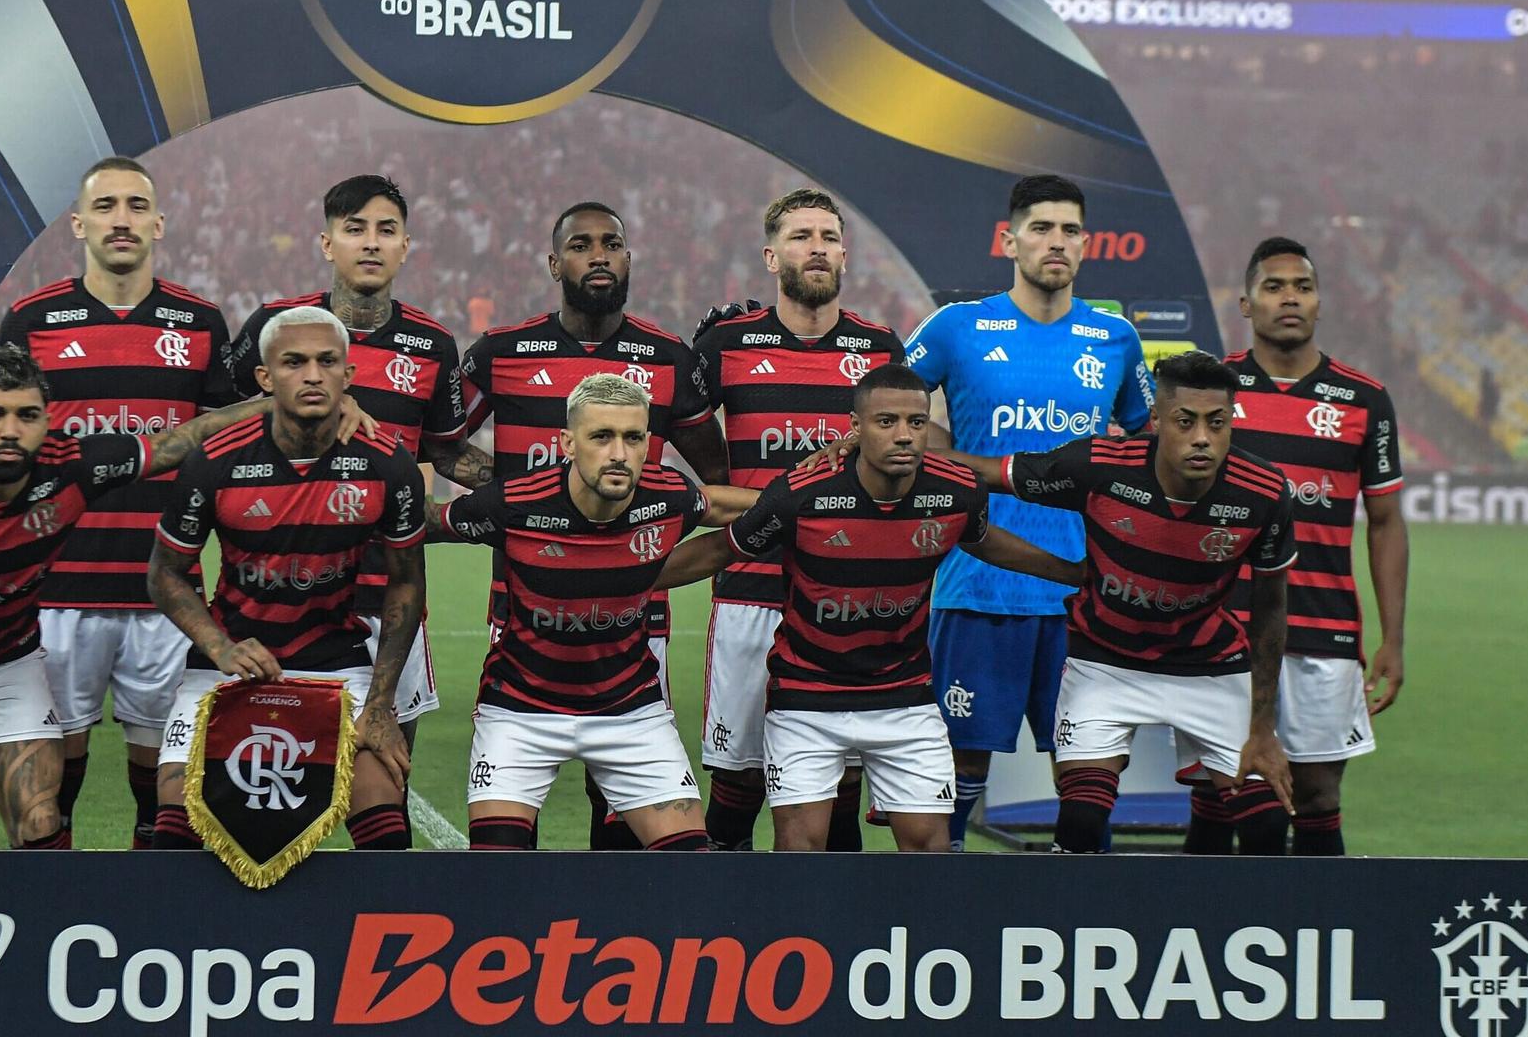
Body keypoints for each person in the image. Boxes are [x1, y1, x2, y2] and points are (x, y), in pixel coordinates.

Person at [0, 345, 272, 850]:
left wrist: (280, 402)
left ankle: (44, 928)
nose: (10, 430)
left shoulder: (72, 467)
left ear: (46, 422)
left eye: (27, 416)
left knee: (39, 820)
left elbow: (177, 441)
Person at [659, 365, 1081, 851]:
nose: (904, 436)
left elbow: (984, 541)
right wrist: (623, 580)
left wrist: (1073, 572)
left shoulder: (958, 490)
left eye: (916, 423)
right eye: (886, 422)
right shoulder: (802, 493)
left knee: (929, 850)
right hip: (806, 697)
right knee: (800, 850)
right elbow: (721, 549)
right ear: (855, 428)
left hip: (903, 699)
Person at [460, 201, 729, 848]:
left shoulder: (668, 356)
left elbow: (712, 468)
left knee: (622, 815)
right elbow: (441, 444)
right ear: (555, 263)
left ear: (629, 260)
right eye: (581, 245)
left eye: (612, 243)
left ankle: (610, 939)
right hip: (525, 605)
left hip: (638, 616)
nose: (599, 255)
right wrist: (511, 494)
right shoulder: (502, 352)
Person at [900, 174, 1153, 849]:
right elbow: (887, 402)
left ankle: (1082, 917)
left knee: (1085, 772)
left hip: (1081, 591)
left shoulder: (1115, 339)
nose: (1056, 242)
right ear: (1010, 240)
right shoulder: (959, 327)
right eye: (1041, 228)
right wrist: (949, 459)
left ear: (1086, 244)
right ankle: (939, 911)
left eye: (1070, 230)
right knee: (960, 764)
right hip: (977, 585)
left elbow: (1150, 438)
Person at [0, 155, 238, 848]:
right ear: (78, 224)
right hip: (56, 590)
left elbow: (227, 446)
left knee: (157, 782)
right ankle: (57, 910)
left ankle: (143, 910)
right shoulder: (32, 320)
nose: (122, 219)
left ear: (158, 223)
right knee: (50, 786)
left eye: (136, 206)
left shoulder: (199, 322)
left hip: (165, 591)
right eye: (106, 207)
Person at [986, 351, 1297, 854]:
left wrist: (1263, 729)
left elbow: (1270, 609)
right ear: (1156, 422)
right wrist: (891, 453)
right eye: (1185, 421)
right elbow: (988, 473)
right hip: (1105, 661)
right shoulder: (1096, 465)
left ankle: (1222, 927)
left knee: (1265, 827)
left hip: (1209, 665)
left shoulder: (1264, 491)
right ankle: (1072, 928)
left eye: (1217, 423)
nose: (1202, 438)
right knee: (1082, 819)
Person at [428, 374, 753, 851]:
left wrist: (801, 504)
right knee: (493, 870)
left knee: (692, 872)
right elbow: (428, 523)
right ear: (568, 443)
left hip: (630, 712)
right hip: (521, 712)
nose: (618, 453)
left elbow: (722, 508)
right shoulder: (514, 502)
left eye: (633, 437)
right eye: (601, 436)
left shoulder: (669, 496)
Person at [227, 175, 490, 758]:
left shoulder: (431, 344)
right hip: (282, 594)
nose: (370, 243)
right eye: (354, 230)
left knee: (387, 775)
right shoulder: (274, 329)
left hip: (389, 592)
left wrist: (530, 490)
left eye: (385, 231)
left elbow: (445, 451)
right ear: (327, 244)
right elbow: (214, 423)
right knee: (273, 778)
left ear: (404, 246)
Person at [147, 307, 425, 851]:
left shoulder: (388, 465)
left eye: (328, 362)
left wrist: (381, 705)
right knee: (176, 814)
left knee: (384, 809)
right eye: (294, 362)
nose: (314, 375)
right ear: (265, 378)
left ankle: (368, 935)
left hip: (335, 660)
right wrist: (220, 648)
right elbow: (165, 574)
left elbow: (407, 584)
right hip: (228, 661)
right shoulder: (215, 462)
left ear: (349, 375)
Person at [692, 187, 905, 850]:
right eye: (800, 235)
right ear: (770, 254)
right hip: (751, 591)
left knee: (837, 789)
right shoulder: (725, 342)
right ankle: (726, 942)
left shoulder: (879, 348)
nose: (816, 246)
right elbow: (688, 439)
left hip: (843, 599)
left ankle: (837, 942)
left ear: (844, 254)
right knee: (736, 788)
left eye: (828, 236)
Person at [1193, 236, 1406, 856]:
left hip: (1324, 630)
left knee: (1317, 798)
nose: (1290, 298)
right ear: (1245, 303)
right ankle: (1200, 937)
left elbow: (1387, 522)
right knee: (1223, 792)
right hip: (1223, 626)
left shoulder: (1365, 400)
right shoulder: (1214, 394)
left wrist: (1393, 638)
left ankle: (1318, 941)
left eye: (1303, 287)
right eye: (1274, 286)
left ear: (1319, 303)